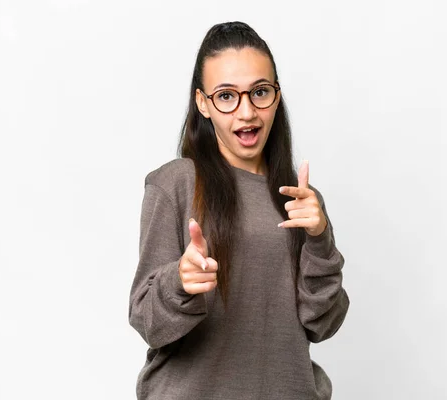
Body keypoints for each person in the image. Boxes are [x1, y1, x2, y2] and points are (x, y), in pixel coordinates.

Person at [128, 21, 349, 400]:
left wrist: (320, 238)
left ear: (276, 97)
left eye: (260, 92)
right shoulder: (175, 184)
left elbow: (320, 324)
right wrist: (179, 282)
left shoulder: (300, 200)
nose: (246, 112)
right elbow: (147, 320)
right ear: (203, 103)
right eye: (227, 96)